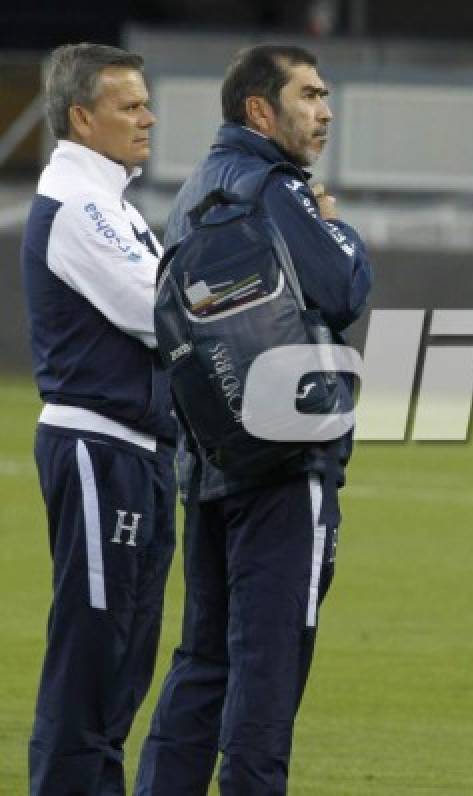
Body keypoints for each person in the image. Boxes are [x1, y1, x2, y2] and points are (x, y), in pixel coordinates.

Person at [134, 44, 372, 795]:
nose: (325, 110)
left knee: (203, 663)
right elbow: (341, 289)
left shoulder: (194, 189)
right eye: (308, 95)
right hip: (284, 465)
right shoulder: (275, 186)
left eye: (326, 95)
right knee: (269, 672)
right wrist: (337, 226)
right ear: (259, 111)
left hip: (208, 464)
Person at [20, 43, 176, 794]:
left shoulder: (111, 202)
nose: (148, 117)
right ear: (83, 117)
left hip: (137, 449)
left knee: (123, 659)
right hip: (97, 444)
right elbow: (160, 311)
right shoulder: (77, 204)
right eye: (130, 105)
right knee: (91, 657)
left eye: (146, 102)